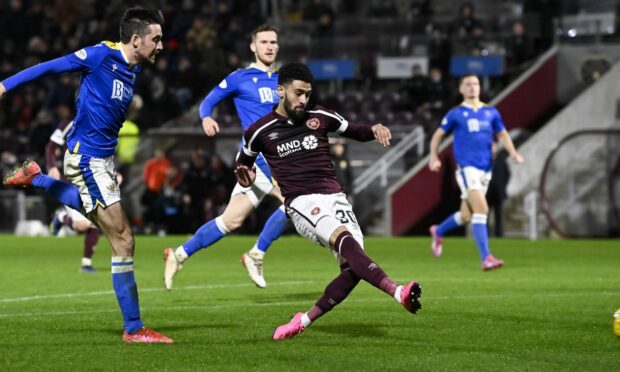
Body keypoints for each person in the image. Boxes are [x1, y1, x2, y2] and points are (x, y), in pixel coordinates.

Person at [1, 8, 173, 343]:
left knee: (96, 217)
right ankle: (134, 328)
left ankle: (35, 177)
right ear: (136, 40)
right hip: (87, 159)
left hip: (103, 160)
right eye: (157, 39)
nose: (162, 45)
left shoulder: (134, 68)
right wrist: (5, 85)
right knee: (123, 239)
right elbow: (50, 67)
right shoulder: (99, 55)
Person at [235, 62, 422, 340]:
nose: (304, 99)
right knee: (345, 240)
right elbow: (243, 165)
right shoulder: (259, 131)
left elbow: (354, 130)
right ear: (281, 91)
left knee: (354, 267)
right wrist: (244, 178)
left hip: (336, 198)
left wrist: (374, 129)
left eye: (308, 94)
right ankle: (397, 291)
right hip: (301, 202)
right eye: (298, 93)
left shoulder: (319, 116)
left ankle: (303, 320)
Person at [164, 24, 288, 290]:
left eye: (273, 42)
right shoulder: (240, 78)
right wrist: (206, 117)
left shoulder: (283, 81)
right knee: (295, 202)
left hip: (279, 155)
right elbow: (207, 102)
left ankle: (178, 255)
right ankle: (257, 254)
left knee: (230, 220)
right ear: (253, 46)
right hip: (258, 157)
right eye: (264, 42)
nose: (269, 46)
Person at [428, 74, 524, 270]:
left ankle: (438, 231)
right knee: (482, 209)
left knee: (466, 215)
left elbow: (502, 133)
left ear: (480, 87)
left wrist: (513, 153)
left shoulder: (491, 112)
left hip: (485, 169)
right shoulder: (456, 113)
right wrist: (433, 156)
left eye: (475, 84)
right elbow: (438, 135)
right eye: (468, 84)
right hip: (467, 168)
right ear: (461, 89)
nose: (472, 87)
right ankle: (486, 257)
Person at [46, 119, 101, 272]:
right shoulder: (68, 123)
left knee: (96, 221)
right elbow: (51, 147)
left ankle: (86, 263)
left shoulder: (101, 123)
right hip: (70, 180)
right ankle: (62, 217)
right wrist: (52, 167)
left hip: (92, 180)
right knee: (82, 225)